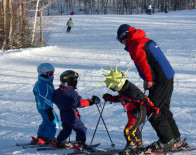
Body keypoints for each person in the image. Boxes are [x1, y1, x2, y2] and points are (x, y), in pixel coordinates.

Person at [116, 24, 185, 152]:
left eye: (120, 40)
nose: (122, 43)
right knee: (163, 108)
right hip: (167, 77)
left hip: (159, 79)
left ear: (124, 36)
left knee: (153, 109)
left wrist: (149, 79)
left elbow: (143, 63)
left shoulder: (134, 44)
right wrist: (147, 79)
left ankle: (167, 140)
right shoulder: (144, 39)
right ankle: (175, 137)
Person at [101, 65, 159, 155]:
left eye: (112, 88)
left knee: (128, 130)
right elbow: (122, 98)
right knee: (135, 130)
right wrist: (111, 98)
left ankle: (133, 148)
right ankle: (138, 145)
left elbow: (144, 99)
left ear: (117, 85)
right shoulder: (124, 89)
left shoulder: (131, 91)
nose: (112, 89)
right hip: (132, 113)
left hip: (138, 112)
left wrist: (151, 107)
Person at [52, 70, 100, 149]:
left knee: (66, 129)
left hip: (63, 114)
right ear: (71, 81)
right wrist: (91, 101)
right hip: (72, 115)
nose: (76, 81)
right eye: (75, 80)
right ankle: (81, 143)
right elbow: (80, 103)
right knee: (81, 128)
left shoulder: (58, 92)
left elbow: (53, 98)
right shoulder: (72, 94)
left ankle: (59, 141)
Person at [33, 63, 60, 144]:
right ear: (44, 74)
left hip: (43, 107)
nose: (52, 75)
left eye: (53, 73)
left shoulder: (44, 82)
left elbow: (49, 94)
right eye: (50, 73)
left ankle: (41, 137)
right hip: (45, 107)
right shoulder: (42, 84)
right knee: (54, 122)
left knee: (46, 121)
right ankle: (48, 138)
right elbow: (43, 96)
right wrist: (48, 109)